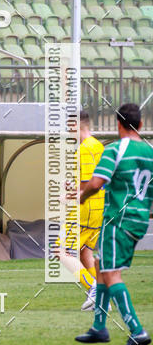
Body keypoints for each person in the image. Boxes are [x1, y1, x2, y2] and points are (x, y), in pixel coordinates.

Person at [75, 103, 153, 345]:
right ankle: (99, 326)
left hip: (117, 219)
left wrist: (81, 196)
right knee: (100, 265)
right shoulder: (150, 153)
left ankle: (137, 330)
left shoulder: (115, 150)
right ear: (140, 125)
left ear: (117, 124)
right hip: (140, 220)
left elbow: (96, 183)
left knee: (110, 274)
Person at [78, 111, 105, 311]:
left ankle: (94, 288)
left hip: (86, 208)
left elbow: (87, 183)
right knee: (84, 251)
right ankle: (100, 296)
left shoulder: (85, 148)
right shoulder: (98, 145)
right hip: (99, 206)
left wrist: (70, 192)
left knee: (59, 251)